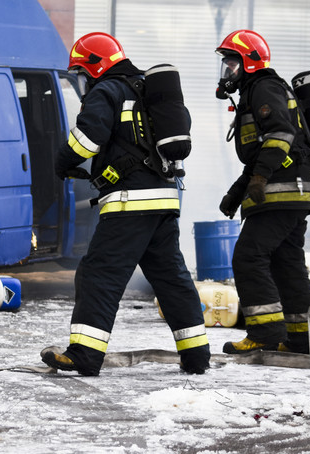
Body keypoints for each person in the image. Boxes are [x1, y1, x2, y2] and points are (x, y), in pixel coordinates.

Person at [41, 32, 211, 376]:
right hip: (164, 201)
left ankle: (85, 355)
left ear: (95, 67)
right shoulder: (147, 89)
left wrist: (61, 161)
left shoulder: (107, 90)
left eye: (83, 74)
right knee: (171, 279)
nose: (83, 81)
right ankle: (197, 355)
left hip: (129, 203)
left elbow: (87, 140)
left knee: (98, 275)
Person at [215, 29, 310, 355]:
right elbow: (262, 151)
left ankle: (264, 334)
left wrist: (258, 179)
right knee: (287, 263)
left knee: (249, 257)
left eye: (231, 62)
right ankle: (302, 340)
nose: (227, 70)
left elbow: (281, 135)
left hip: (282, 191)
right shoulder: (256, 90)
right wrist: (238, 191)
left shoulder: (264, 87)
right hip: (293, 191)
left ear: (249, 62)